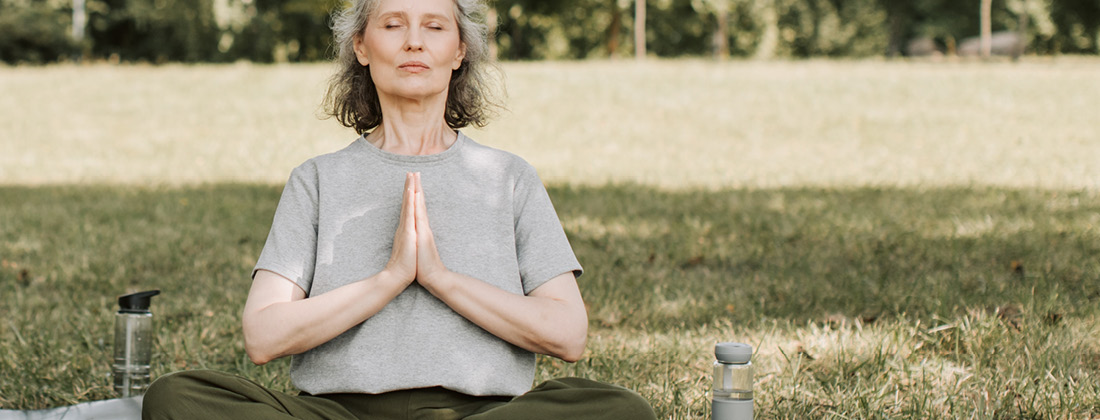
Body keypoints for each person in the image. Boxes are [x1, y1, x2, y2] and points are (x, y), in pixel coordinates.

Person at [141, 0, 657, 418]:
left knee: (618, 410)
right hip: (337, 415)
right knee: (176, 398)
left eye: (434, 26)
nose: (414, 40)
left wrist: (437, 277)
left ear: (459, 51)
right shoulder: (317, 180)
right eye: (393, 24)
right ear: (361, 47)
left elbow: (567, 333)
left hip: (482, 415)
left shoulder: (509, 177)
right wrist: (389, 279)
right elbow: (263, 335)